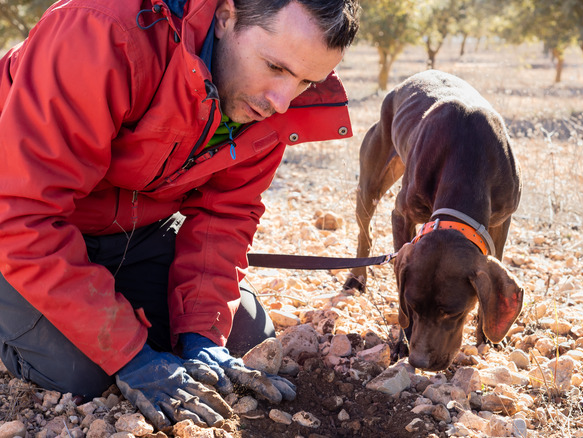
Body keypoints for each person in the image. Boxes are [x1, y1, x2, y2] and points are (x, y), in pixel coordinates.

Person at [0, 0, 359, 430]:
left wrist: (201, 337)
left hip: (133, 229)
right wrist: (129, 354)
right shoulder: (100, 32)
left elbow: (225, 214)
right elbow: (23, 214)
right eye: (275, 68)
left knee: (241, 338)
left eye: (306, 81)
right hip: (19, 224)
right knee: (89, 372)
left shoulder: (264, 101)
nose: (281, 103)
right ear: (227, 16)